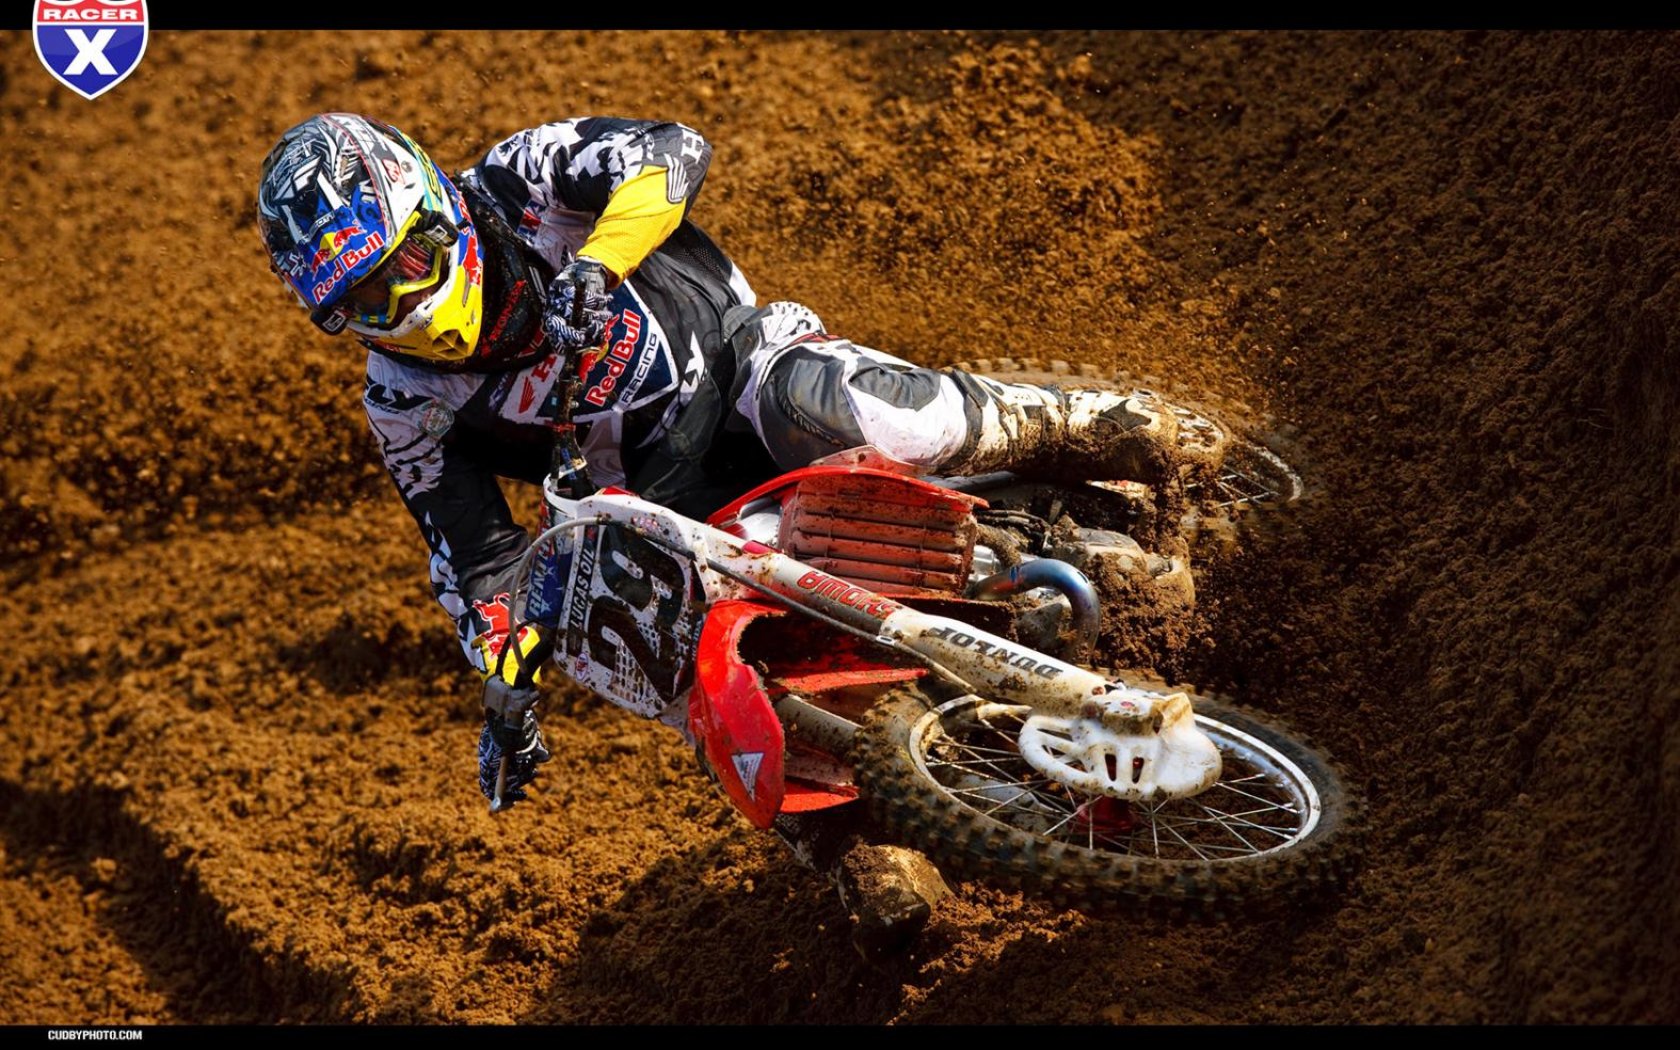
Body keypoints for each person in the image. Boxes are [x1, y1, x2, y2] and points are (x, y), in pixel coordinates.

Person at [255, 112, 1182, 957]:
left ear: (435, 212)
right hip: (662, 510)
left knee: (834, 406)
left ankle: (1083, 425)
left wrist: (598, 263)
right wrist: (506, 667)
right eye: (367, 301)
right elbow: (476, 563)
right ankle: (845, 834)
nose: (406, 308)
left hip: (742, 376)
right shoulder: (405, 402)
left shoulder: (518, 181)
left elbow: (671, 150)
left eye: (407, 266)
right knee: (609, 623)